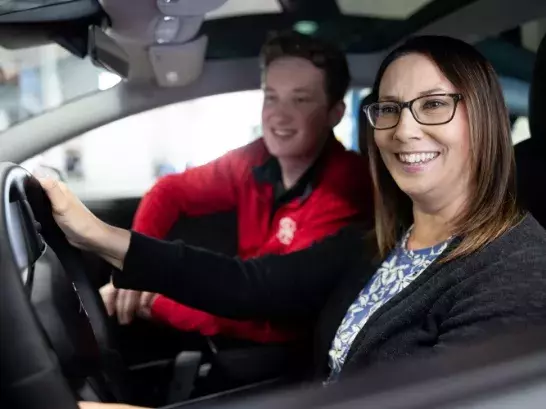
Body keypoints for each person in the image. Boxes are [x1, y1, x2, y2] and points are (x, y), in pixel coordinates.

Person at [42, 35, 546, 400]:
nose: (404, 130)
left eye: (433, 105)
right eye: (389, 109)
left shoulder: (516, 270)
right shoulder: (383, 243)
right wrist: (98, 235)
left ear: (483, 119)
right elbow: (252, 284)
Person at [101, 31, 373, 347]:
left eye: (300, 99)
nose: (279, 115)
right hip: (237, 324)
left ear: (334, 114)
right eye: (271, 97)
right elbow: (169, 191)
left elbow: (268, 306)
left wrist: (150, 299)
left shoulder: (346, 187)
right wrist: (136, 268)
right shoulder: (256, 158)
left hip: (287, 357)